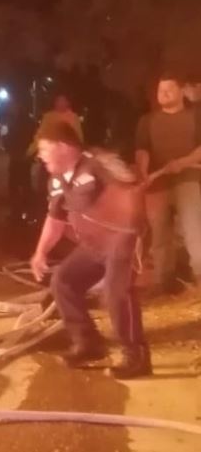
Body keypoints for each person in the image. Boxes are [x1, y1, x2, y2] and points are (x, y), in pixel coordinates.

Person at [30, 120, 151, 379]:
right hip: (94, 244)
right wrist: (40, 253)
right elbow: (55, 219)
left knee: (116, 293)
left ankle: (136, 355)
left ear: (63, 147)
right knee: (64, 280)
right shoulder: (56, 180)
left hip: (122, 239)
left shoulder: (99, 165)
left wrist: (133, 233)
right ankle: (88, 343)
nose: (40, 156)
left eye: (44, 148)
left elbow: (133, 191)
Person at [135, 76, 201, 293]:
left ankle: (199, 276)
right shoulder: (147, 120)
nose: (163, 93)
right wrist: (143, 170)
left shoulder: (195, 116)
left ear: (181, 92)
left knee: (194, 231)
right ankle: (165, 281)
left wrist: (182, 163)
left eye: (169, 89)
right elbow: (142, 149)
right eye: (160, 89)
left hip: (188, 180)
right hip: (157, 185)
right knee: (160, 235)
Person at [4, 98, 35, 221]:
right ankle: (21, 210)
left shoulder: (21, 121)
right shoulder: (19, 120)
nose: (12, 108)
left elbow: (16, 137)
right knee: (20, 184)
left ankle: (21, 211)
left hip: (21, 155)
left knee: (18, 184)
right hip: (20, 155)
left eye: (14, 106)